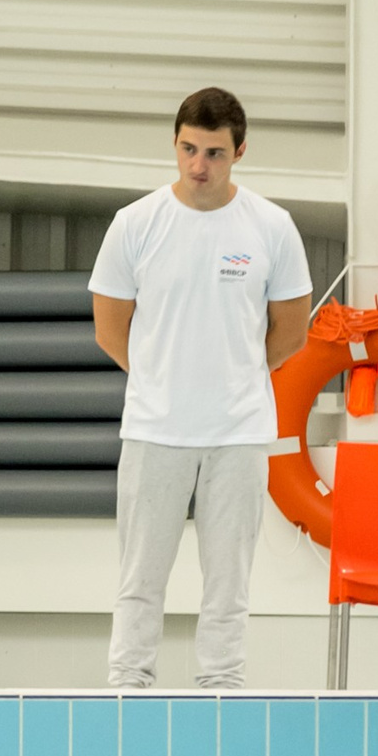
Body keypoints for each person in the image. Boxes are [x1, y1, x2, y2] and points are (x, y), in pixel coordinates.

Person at [91, 87, 311, 689]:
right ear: (175, 142)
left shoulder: (272, 226)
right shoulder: (135, 224)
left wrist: (231, 374)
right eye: (188, 149)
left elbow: (291, 332)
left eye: (213, 152)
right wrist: (164, 377)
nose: (198, 166)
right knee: (140, 579)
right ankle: (126, 688)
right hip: (154, 431)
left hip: (238, 433)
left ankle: (222, 691)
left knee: (228, 584)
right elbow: (110, 327)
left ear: (240, 151)